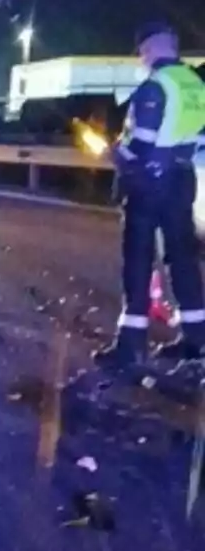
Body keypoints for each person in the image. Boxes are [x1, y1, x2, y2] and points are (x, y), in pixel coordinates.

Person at [94, 21, 205, 368]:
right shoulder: (195, 84)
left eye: (141, 50)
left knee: (138, 262)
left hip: (149, 184)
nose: (140, 57)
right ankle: (196, 339)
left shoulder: (154, 87)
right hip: (182, 178)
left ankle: (131, 348)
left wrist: (113, 154)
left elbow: (141, 144)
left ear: (151, 48)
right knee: (182, 259)